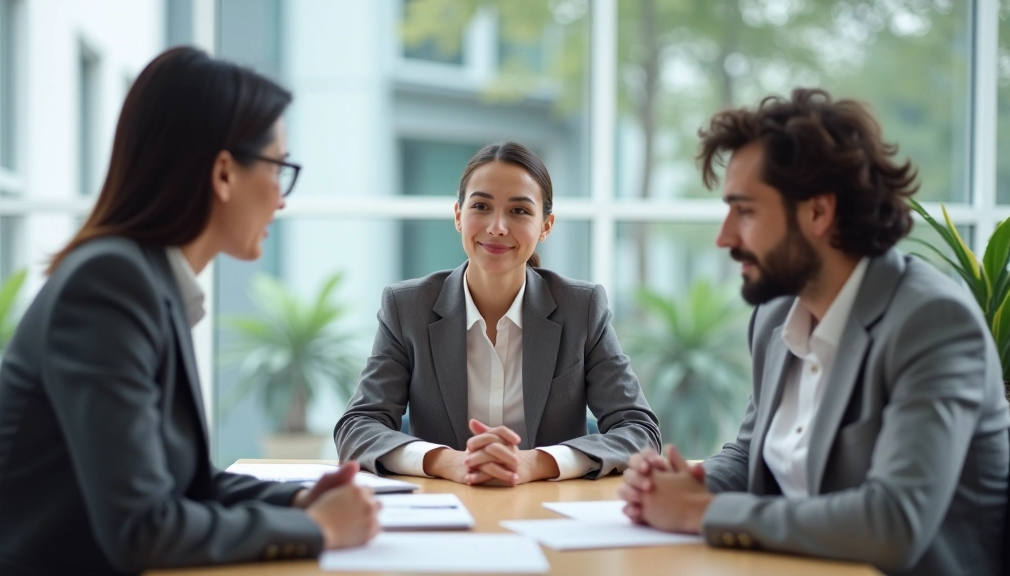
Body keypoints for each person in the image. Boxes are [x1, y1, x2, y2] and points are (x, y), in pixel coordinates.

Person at [0, 47, 379, 576]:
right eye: (279, 167)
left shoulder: (145, 279)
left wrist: (299, 503)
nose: (282, 199)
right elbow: (143, 528)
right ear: (223, 173)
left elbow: (186, 481)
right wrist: (320, 530)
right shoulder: (109, 285)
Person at [619, 88, 1010, 576]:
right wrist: (684, 483)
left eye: (746, 211)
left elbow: (893, 524)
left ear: (818, 213)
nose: (724, 238)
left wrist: (699, 511)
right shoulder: (777, 313)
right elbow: (752, 454)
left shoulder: (932, 324)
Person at [335, 141, 660, 485]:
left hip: (548, 509)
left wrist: (538, 463)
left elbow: (639, 431)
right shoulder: (407, 307)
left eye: (519, 211)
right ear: (459, 215)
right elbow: (358, 427)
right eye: (481, 206)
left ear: (546, 225)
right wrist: (447, 461)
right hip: (443, 506)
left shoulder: (581, 308)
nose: (497, 227)